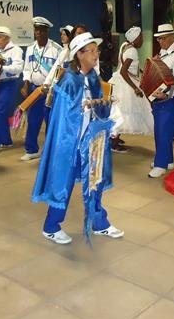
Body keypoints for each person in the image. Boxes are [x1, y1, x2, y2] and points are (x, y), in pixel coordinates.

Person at [31, 32, 123, 244]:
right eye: (91, 50)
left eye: (96, 50)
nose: (95, 54)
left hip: (92, 141)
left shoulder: (92, 78)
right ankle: (51, 226)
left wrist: (109, 120)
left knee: (95, 181)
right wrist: (84, 112)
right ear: (79, 55)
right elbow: (63, 118)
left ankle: (99, 223)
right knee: (64, 182)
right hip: (70, 143)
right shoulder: (68, 81)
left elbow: (100, 106)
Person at [19, 16, 62, 161]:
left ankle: (52, 151)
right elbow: (26, 69)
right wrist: (25, 84)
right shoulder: (30, 48)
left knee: (51, 121)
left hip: (50, 91)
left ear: (47, 31)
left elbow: (60, 72)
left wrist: (52, 86)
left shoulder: (57, 49)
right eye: (36, 30)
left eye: (41, 30)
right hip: (35, 90)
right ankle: (31, 149)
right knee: (33, 120)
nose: (38, 33)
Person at [148, 24, 174, 178]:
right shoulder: (163, 54)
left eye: (163, 38)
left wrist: (167, 95)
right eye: (158, 39)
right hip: (160, 98)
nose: (160, 41)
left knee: (162, 130)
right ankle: (168, 160)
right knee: (162, 128)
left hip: (169, 98)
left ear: (171, 37)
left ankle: (161, 164)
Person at [108, 26, 154, 152]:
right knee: (123, 113)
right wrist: (135, 88)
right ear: (135, 39)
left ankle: (115, 138)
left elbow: (127, 66)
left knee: (121, 113)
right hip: (125, 83)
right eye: (141, 38)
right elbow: (124, 71)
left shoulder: (125, 46)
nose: (143, 40)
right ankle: (113, 142)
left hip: (120, 80)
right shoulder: (132, 50)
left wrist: (140, 71)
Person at [0, 26, 23, 155]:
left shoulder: (16, 50)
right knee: (0, 113)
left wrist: (1, 68)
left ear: (5, 37)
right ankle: (6, 140)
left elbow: (18, 68)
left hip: (9, 84)